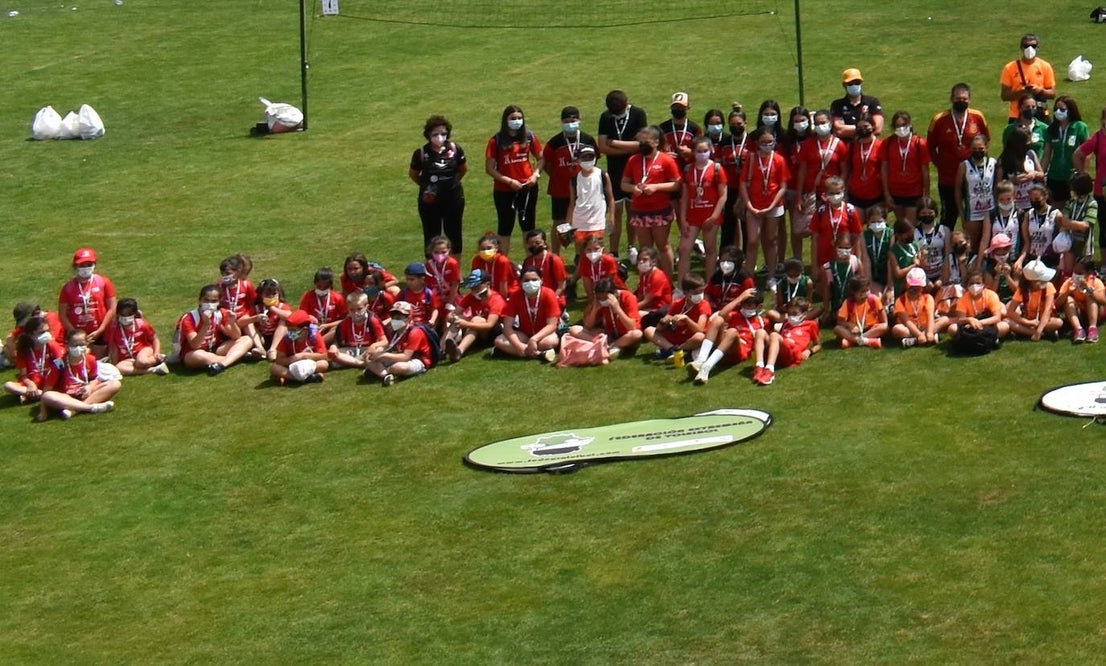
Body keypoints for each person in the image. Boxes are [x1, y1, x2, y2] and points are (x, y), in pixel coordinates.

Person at [927, 83, 991, 229]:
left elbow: (985, 141)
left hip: (973, 178)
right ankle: (944, 242)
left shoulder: (977, 117)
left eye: (964, 99)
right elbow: (930, 147)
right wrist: (940, 165)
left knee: (976, 214)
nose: (961, 101)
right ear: (951, 99)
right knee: (948, 216)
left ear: (970, 99)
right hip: (948, 178)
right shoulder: (939, 120)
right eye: (958, 98)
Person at [622, 125, 682, 277]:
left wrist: (656, 187)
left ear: (656, 142)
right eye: (640, 142)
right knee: (645, 249)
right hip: (639, 211)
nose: (642, 145)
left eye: (646, 142)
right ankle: (647, 282)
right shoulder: (633, 160)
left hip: (660, 210)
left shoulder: (666, 160)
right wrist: (634, 188)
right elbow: (623, 184)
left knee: (663, 246)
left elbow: (677, 184)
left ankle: (667, 282)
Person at [485, 104, 543, 257]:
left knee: (528, 227)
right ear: (506, 120)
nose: (517, 121)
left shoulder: (529, 137)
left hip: (528, 188)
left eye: (519, 118)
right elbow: (490, 169)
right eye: (513, 118)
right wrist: (509, 181)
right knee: (505, 228)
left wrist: (535, 175)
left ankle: (531, 262)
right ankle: (503, 263)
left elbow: (541, 158)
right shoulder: (496, 141)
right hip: (504, 190)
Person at [597, 90, 649, 259]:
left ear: (627, 105)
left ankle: (631, 246)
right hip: (615, 171)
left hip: (635, 169)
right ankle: (613, 251)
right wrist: (629, 148)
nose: (616, 115)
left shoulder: (638, 114)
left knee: (633, 210)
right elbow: (602, 147)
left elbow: (643, 144)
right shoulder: (606, 117)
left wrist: (614, 143)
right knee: (616, 211)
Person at [543, 106, 598, 255]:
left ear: (579, 120)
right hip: (560, 190)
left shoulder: (587, 140)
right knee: (559, 223)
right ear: (562, 122)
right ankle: (555, 256)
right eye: (566, 121)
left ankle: (580, 255)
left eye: (573, 120)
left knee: (581, 222)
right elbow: (546, 162)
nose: (570, 124)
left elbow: (594, 160)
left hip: (583, 190)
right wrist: (556, 176)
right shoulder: (554, 143)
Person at [410, 115, 467, 254]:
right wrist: (428, 186)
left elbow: (463, 169)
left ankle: (454, 266)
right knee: (431, 236)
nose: (439, 137)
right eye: (435, 134)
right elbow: (414, 174)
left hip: (453, 199)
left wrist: (451, 183)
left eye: (443, 133)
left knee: (454, 235)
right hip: (430, 202)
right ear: (428, 135)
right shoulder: (421, 153)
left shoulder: (455, 149)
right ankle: (433, 267)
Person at [35, 329, 120, 421]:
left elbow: (94, 379)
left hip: (84, 394)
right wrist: (43, 411)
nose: (78, 348)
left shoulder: (91, 359)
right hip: (65, 396)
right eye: (75, 345)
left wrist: (90, 387)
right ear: (67, 346)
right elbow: (46, 390)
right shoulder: (59, 363)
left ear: (87, 344)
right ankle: (91, 407)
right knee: (48, 396)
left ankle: (74, 410)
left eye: (82, 344)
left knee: (115, 384)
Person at [686, 288, 765, 385]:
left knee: (732, 331)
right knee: (718, 320)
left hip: (739, 351)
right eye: (743, 304)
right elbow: (721, 314)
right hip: (723, 347)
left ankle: (706, 367)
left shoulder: (762, 321)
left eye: (749, 305)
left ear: (758, 306)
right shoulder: (735, 315)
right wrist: (740, 298)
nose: (745, 308)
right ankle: (700, 360)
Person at [740, 127, 790, 278]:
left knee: (771, 240)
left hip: (774, 206)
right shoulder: (751, 159)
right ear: (757, 143)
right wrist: (749, 206)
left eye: (770, 142)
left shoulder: (779, 159)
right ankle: (749, 277)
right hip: (754, 205)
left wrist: (771, 206)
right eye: (763, 142)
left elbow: (783, 187)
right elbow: (743, 183)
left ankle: (771, 276)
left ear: (775, 141)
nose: (767, 145)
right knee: (752, 241)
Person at [680, 135, 728, 283]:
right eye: (699, 151)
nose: (702, 154)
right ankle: (682, 286)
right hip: (692, 216)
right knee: (684, 249)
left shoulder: (717, 169)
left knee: (710, 249)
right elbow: (685, 196)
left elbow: (723, 196)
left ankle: (709, 284)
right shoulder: (688, 169)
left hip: (710, 216)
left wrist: (714, 217)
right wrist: (682, 218)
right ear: (693, 152)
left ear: (711, 150)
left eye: (705, 151)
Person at [176, 284, 254, 375]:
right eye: (206, 300)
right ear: (200, 300)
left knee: (246, 339)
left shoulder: (221, 313)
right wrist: (206, 325)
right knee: (198, 356)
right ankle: (237, 356)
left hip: (214, 348)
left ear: (219, 302)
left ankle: (222, 364)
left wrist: (232, 323)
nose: (209, 304)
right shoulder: (189, 318)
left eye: (214, 301)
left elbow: (236, 336)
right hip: (193, 353)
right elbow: (195, 345)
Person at [810, 176, 865, 298]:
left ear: (843, 191)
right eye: (831, 193)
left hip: (845, 256)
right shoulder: (820, 211)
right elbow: (814, 239)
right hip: (825, 257)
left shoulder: (850, 211)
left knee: (847, 291)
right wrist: (814, 266)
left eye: (838, 192)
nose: (835, 196)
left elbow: (857, 236)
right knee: (823, 293)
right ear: (825, 194)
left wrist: (858, 259)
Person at [563, 277, 642, 361]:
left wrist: (617, 308)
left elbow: (631, 327)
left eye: (605, 298)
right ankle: (610, 347)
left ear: (614, 293)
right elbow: (588, 326)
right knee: (574, 329)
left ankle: (610, 346)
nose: (603, 300)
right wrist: (595, 309)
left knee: (637, 334)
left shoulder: (628, 297)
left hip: (626, 335)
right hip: (609, 335)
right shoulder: (599, 301)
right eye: (600, 298)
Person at [58, 247, 117, 358]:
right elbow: (62, 314)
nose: (85, 268)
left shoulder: (104, 282)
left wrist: (101, 329)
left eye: (89, 264)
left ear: (94, 264)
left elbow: (112, 308)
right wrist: (75, 333)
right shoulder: (68, 288)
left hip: (99, 331)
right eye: (82, 265)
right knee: (79, 359)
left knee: (97, 361)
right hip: (77, 333)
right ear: (75, 266)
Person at [566, 145, 616, 274]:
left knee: (597, 251)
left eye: (590, 157)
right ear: (578, 160)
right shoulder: (574, 179)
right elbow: (572, 203)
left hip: (597, 221)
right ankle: (585, 277)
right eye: (584, 157)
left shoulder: (602, 175)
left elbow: (610, 198)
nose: (588, 160)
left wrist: (611, 217)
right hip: (579, 221)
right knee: (583, 254)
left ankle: (601, 276)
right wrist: (568, 223)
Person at [493, 267, 560, 360]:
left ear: (541, 280)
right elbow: (507, 326)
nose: (530, 283)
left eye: (534, 279)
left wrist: (534, 339)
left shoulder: (549, 294)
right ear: (521, 282)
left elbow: (552, 325)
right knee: (498, 341)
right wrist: (518, 345)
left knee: (550, 342)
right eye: (526, 280)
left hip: (544, 335)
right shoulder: (515, 295)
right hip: (524, 334)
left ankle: (515, 352)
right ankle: (538, 354)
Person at [751, 297, 820, 385]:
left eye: (795, 313)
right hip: (781, 351)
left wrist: (810, 351)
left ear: (804, 313)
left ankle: (770, 370)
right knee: (760, 332)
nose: (791, 316)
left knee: (774, 335)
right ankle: (759, 367)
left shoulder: (811, 324)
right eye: (789, 313)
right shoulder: (786, 323)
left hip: (793, 352)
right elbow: (779, 339)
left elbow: (818, 345)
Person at [363, 301, 435, 386]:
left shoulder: (415, 332)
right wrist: (377, 351)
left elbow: (406, 356)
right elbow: (390, 346)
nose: (395, 320)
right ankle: (386, 375)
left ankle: (380, 372)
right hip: (400, 357)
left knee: (399, 367)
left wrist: (384, 356)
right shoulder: (394, 331)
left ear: (408, 317)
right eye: (393, 317)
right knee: (368, 358)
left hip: (418, 360)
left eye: (398, 317)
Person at [442, 269, 507, 362]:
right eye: (472, 288)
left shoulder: (496, 300)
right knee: (458, 319)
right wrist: (451, 316)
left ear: (488, 284)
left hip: (494, 332)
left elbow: (490, 325)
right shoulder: (471, 297)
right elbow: (456, 312)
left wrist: (466, 324)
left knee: (476, 319)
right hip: (478, 329)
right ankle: (443, 348)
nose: (474, 291)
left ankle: (459, 351)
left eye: (477, 287)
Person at [995, 127, 1044, 247]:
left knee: (1031, 235)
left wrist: (1033, 174)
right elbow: (998, 184)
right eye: (1027, 141)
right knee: (1016, 236)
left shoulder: (1031, 154)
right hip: (1013, 206)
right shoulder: (1004, 160)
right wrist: (1012, 181)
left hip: (1030, 204)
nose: (1029, 144)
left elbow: (1041, 174)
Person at [645, 274, 711, 360]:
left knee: (700, 337)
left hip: (691, 338)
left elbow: (700, 329)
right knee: (649, 330)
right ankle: (672, 350)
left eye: (701, 291)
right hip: (675, 337)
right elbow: (659, 329)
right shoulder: (677, 303)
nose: (699, 295)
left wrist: (687, 319)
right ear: (686, 293)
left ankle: (678, 350)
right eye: (696, 292)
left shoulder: (704, 305)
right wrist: (664, 322)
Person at [882, 110, 930, 223]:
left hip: (914, 192)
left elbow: (925, 171)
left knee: (911, 225)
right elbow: (884, 169)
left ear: (910, 124)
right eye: (897, 126)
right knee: (901, 225)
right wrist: (887, 194)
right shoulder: (888, 143)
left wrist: (926, 194)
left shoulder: (919, 143)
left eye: (904, 125)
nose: (901, 128)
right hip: (895, 192)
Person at [3, 315, 64, 404]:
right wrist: (31, 384)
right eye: (42, 332)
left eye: (47, 331)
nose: (46, 334)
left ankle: (34, 395)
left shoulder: (52, 345)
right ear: (31, 334)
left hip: (50, 382)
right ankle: (40, 395)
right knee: (8, 386)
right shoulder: (24, 350)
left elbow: (61, 367)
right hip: (33, 382)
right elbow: (24, 376)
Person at [1041, 96, 1090, 207]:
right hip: (1055, 175)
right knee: (1056, 208)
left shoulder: (1080, 127)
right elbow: (1046, 155)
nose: (1058, 112)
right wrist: (1041, 173)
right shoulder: (1051, 129)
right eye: (1056, 109)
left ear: (1070, 110)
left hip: (1073, 175)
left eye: (1062, 109)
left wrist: (1084, 174)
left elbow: (1087, 153)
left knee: (1075, 206)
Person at [797, 109, 849, 207]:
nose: (820, 126)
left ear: (830, 123)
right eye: (817, 123)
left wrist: (837, 190)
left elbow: (844, 171)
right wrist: (799, 197)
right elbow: (802, 171)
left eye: (823, 123)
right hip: (812, 192)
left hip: (832, 193)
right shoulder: (807, 144)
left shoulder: (840, 145)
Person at [954, 134, 997, 253]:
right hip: (973, 212)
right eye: (974, 149)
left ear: (986, 148)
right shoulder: (964, 166)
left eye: (980, 149)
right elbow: (957, 190)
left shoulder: (993, 163)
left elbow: (997, 186)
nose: (977, 151)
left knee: (989, 243)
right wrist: (962, 213)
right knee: (972, 245)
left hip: (990, 210)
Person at [1000, 33, 1056, 123]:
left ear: (1038, 47)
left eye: (1033, 46)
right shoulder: (1009, 68)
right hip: (1017, 115)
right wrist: (1021, 92)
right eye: (1026, 46)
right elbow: (1004, 96)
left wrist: (1039, 90)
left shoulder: (1045, 66)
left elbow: (1052, 94)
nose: (1030, 49)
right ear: (1021, 48)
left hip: (1041, 114)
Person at [106, 298, 168, 376]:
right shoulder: (114, 329)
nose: (125, 318)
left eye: (128, 315)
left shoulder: (142, 324)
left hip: (144, 350)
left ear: (134, 314)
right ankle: (153, 370)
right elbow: (114, 347)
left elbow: (154, 339)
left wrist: (156, 352)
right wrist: (115, 365)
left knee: (141, 362)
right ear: (118, 314)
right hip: (128, 358)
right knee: (119, 368)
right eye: (123, 315)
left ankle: (159, 358)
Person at [718, 104, 751, 251]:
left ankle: (747, 256)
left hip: (748, 189)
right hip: (729, 188)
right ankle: (725, 255)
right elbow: (718, 166)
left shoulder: (751, 142)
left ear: (745, 123)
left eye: (739, 124)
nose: (736, 127)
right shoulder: (724, 143)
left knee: (747, 224)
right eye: (732, 125)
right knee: (728, 225)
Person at [1074, 105, 1106, 255]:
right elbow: (1077, 155)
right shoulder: (1098, 138)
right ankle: (1104, 264)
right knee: (1104, 228)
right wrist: (1083, 177)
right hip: (1102, 190)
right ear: (1103, 120)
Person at [783, 106, 814, 265]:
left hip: (810, 189)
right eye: (796, 121)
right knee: (795, 227)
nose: (799, 124)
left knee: (814, 227)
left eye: (802, 120)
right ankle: (797, 259)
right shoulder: (788, 141)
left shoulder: (814, 139)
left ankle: (816, 260)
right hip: (792, 188)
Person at [328, 291, 388, 370]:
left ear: (367, 307)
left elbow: (385, 341)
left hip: (368, 349)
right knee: (335, 354)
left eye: (359, 309)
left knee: (378, 350)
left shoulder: (373, 321)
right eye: (352, 310)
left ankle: (353, 362)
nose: (356, 313)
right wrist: (333, 347)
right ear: (348, 309)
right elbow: (337, 342)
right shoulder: (344, 323)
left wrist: (374, 346)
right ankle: (361, 364)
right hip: (351, 350)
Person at [1007, 259, 1063, 340]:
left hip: (1046, 320)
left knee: (1058, 322)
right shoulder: (1022, 289)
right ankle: (1037, 333)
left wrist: (1039, 329)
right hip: (1028, 320)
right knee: (1007, 321)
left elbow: (1048, 310)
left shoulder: (1049, 286)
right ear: (1032, 281)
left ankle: (1033, 332)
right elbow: (1010, 312)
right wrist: (1028, 322)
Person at [947, 270, 1010, 341]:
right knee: (952, 328)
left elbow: (997, 318)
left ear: (983, 284)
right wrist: (969, 319)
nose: (974, 286)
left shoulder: (991, 295)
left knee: (1004, 326)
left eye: (978, 283)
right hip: (969, 326)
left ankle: (972, 340)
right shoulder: (962, 299)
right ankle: (987, 339)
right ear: (967, 285)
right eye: (971, 283)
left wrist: (980, 323)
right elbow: (960, 319)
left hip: (987, 324)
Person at [270, 310, 329, 385]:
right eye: (289, 330)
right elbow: (279, 360)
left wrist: (303, 356)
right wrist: (293, 359)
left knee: (324, 364)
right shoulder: (286, 339)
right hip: (291, 366)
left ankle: (290, 378)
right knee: (274, 367)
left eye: (293, 330)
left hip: (308, 365)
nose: (290, 333)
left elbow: (324, 356)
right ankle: (307, 378)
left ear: (304, 329)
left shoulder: (314, 336)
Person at [1059, 172, 1099, 275]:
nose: (1071, 190)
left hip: (1084, 246)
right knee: (1068, 272)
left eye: (1073, 188)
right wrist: (1072, 224)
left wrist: (1069, 223)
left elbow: (1085, 226)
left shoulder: (1092, 203)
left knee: (1080, 274)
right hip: (1070, 243)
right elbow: (1063, 220)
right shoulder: (1071, 202)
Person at [3, 302, 64, 370]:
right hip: (37, 351)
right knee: (7, 349)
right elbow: (9, 337)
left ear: (37, 313)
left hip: (55, 351)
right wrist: (13, 352)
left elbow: (50, 341)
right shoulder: (32, 323)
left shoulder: (50, 318)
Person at [1057, 256, 1104, 343]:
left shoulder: (1096, 282)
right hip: (1080, 316)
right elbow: (1057, 304)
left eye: (1080, 273)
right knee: (1068, 299)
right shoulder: (1069, 282)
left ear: (1089, 273)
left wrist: (1089, 289)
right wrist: (1068, 292)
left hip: (1097, 315)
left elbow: (1103, 301)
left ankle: (1093, 329)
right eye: (1075, 271)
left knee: (1090, 296)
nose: (1076, 275)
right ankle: (1078, 330)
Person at [833, 275, 887, 349]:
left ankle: (852, 341)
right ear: (854, 293)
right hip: (854, 331)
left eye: (867, 290)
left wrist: (879, 325)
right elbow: (840, 321)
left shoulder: (874, 299)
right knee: (837, 329)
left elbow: (884, 322)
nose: (865, 294)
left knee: (884, 327)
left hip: (871, 329)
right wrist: (850, 325)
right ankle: (867, 341)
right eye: (862, 292)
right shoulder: (848, 303)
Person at [522, 228, 568, 314]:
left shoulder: (554, 260)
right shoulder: (528, 261)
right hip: (533, 300)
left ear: (544, 243)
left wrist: (550, 299)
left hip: (554, 299)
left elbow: (561, 286)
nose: (534, 246)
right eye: (531, 243)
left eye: (537, 243)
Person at [892, 267, 940, 347]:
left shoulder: (928, 298)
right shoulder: (900, 300)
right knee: (897, 329)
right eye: (911, 286)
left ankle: (915, 340)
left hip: (925, 326)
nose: (913, 289)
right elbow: (906, 322)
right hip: (909, 329)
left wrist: (929, 332)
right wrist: (919, 334)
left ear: (922, 287)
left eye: (917, 287)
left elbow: (930, 317)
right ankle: (920, 338)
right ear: (906, 285)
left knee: (943, 320)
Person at [831, 68, 884, 139]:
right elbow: (839, 130)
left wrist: (849, 130)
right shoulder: (837, 104)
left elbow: (877, 128)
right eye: (850, 84)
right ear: (844, 85)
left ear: (861, 83)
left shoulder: (873, 102)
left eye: (857, 83)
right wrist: (866, 128)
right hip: (847, 145)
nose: (854, 85)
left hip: (868, 144)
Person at [299, 267, 348, 344]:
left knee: (337, 329)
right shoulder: (308, 296)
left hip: (330, 329)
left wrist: (328, 325)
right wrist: (310, 319)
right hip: (313, 328)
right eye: (319, 286)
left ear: (330, 285)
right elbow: (301, 316)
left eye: (325, 287)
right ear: (315, 283)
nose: (322, 289)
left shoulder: (338, 298)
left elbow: (345, 319)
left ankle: (318, 344)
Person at [573, 234, 626, 304]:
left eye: (596, 249)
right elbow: (587, 284)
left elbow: (610, 282)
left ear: (602, 249)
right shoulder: (584, 261)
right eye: (589, 250)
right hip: (598, 292)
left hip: (615, 290)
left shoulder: (609, 261)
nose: (592, 253)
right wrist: (592, 301)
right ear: (584, 251)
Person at [845, 114, 884, 210]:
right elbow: (847, 170)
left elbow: (885, 170)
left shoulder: (881, 146)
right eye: (859, 127)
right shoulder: (852, 147)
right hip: (855, 194)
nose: (863, 129)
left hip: (876, 194)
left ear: (873, 126)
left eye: (866, 126)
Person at [1019, 184, 1061, 268]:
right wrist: (1020, 260)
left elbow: (1061, 238)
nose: (1034, 202)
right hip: (1032, 258)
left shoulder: (1056, 214)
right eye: (1031, 199)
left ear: (1045, 197)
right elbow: (1027, 242)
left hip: (1050, 258)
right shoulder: (1028, 215)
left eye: (1037, 199)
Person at [1002, 92, 1050, 161]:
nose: (1031, 109)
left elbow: (1047, 154)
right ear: (1020, 108)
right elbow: (1006, 152)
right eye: (1027, 107)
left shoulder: (1044, 128)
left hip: (1038, 167)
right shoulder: (1010, 129)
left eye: (1033, 107)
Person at [633, 246, 673, 329]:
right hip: (648, 308)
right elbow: (640, 296)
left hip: (659, 310)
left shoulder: (658, 276)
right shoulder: (644, 275)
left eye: (645, 259)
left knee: (633, 315)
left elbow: (647, 301)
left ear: (654, 262)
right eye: (639, 259)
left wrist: (631, 308)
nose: (641, 262)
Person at [470, 232, 519, 299]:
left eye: (489, 248)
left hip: (508, 294)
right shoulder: (477, 260)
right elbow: (475, 283)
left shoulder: (502, 261)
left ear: (496, 248)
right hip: (486, 294)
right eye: (482, 249)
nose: (486, 251)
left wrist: (500, 302)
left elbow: (503, 286)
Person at [705, 245, 755, 311]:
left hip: (737, 312)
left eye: (729, 261)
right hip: (717, 310)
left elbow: (750, 299)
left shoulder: (745, 278)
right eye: (723, 260)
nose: (725, 264)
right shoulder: (716, 277)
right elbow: (707, 294)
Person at [397, 262, 442, 329]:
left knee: (414, 333)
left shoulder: (429, 293)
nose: (408, 282)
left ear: (422, 279)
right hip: (407, 323)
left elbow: (435, 309)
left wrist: (432, 320)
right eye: (407, 279)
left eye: (412, 279)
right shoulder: (404, 294)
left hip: (424, 325)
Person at [425, 235, 462, 310]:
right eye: (436, 252)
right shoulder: (429, 265)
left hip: (452, 297)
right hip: (436, 297)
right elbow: (428, 285)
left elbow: (455, 284)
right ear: (431, 251)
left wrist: (450, 303)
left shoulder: (452, 263)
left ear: (449, 250)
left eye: (443, 252)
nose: (440, 255)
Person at [862, 205, 892, 294]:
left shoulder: (891, 234)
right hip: (872, 276)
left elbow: (891, 261)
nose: (876, 224)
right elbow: (866, 259)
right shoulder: (864, 235)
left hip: (888, 275)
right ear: (868, 222)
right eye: (873, 222)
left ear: (885, 220)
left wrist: (890, 286)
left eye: (879, 221)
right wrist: (870, 284)